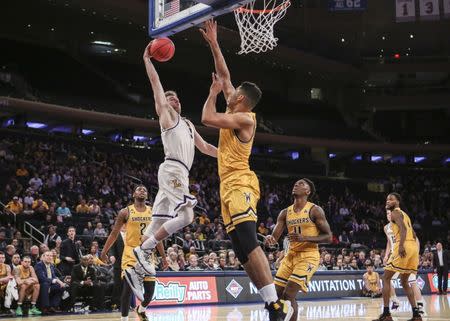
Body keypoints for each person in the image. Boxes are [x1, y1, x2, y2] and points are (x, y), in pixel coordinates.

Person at [200, 19, 291, 321]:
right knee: (240, 250)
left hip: (241, 183)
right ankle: (271, 304)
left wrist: (212, 92)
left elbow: (207, 118)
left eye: (232, 91)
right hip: (227, 184)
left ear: (240, 98)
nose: (229, 88)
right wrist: (214, 43)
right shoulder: (235, 106)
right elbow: (225, 74)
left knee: (249, 240)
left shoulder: (246, 119)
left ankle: (276, 301)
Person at [128, 43, 217, 293]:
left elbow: (206, 147)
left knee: (156, 227)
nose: (173, 98)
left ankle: (135, 270)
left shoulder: (187, 123)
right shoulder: (166, 116)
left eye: (175, 96)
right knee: (188, 215)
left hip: (178, 174)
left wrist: (229, 156)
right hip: (172, 170)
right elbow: (156, 86)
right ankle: (144, 250)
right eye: (168, 97)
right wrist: (148, 60)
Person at [266, 179, 332, 321]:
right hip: (290, 256)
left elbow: (329, 237)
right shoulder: (285, 213)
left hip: (309, 256)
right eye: (295, 183)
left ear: (307, 192)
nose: (296, 185)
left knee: (289, 294)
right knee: (275, 296)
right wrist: (269, 240)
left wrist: (305, 238)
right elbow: (273, 240)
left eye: (301, 184)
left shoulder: (315, 210)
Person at [101, 185, 166, 321]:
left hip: (147, 256)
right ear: (133, 195)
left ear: (147, 196)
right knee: (127, 290)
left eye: (145, 190)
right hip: (130, 254)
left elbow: (157, 237)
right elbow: (114, 233)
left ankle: (141, 310)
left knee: (149, 294)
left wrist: (164, 257)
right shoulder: (125, 212)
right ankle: (124, 319)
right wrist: (104, 251)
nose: (142, 190)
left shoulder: (153, 212)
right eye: (139, 189)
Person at [373, 193, 421, 321]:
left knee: (385, 278)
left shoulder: (395, 212)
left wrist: (400, 246)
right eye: (387, 199)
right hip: (413, 248)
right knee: (405, 282)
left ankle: (386, 313)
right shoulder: (405, 215)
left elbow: (403, 229)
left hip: (403, 247)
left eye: (391, 199)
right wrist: (414, 250)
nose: (388, 201)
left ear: (398, 201)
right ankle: (416, 315)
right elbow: (414, 234)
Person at [384, 209, 424, 313]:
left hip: (404, 253)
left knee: (412, 280)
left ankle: (420, 304)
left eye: (390, 213)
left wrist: (417, 254)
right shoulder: (386, 228)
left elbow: (415, 238)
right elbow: (389, 242)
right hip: (394, 255)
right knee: (388, 280)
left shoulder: (400, 223)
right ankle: (395, 301)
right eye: (387, 213)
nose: (389, 215)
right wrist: (386, 255)